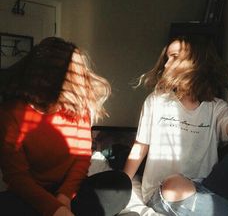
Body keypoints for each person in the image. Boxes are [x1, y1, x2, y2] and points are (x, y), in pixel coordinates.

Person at [0, 37, 131, 216]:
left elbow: (82, 159)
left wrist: (64, 198)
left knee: (120, 183)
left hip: (70, 191)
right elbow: (17, 176)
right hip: (31, 194)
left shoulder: (77, 107)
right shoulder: (11, 113)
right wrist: (54, 208)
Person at [123, 35, 228, 215]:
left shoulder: (216, 107)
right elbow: (140, 147)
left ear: (196, 61)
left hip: (205, 188)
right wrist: (121, 185)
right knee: (174, 185)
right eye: (166, 58)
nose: (166, 64)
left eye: (174, 57)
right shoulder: (156, 101)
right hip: (163, 191)